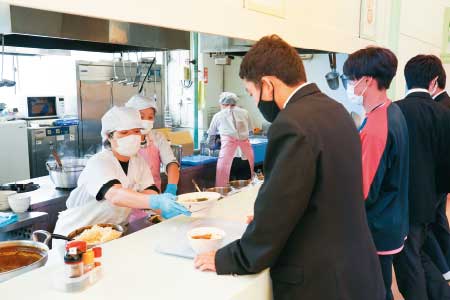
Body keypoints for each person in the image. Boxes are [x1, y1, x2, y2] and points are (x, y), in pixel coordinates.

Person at [194, 35, 385, 300]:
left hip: (320, 280)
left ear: (268, 85)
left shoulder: (291, 123)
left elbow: (277, 209)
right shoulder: (336, 110)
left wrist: (229, 258)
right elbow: (323, 191)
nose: (256, 101)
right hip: (357, 268)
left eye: (252, 93)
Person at [53, 106, 190, 240]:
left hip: (109, 236)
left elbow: (150, 194)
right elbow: (115, 195)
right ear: (109, 136)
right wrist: (156, 201)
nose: (132, 137)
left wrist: (177, 214)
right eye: (124, 133)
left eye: (136, 131)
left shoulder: (139, 162)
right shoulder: (99, 162)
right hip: (74, 237)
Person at [343, 47, 409, 300]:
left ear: (366, 80)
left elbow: (364, 192)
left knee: (374, 292)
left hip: (376, 226)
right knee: (380, 290)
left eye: (350, 80)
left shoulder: (376, 128)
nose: (349, 86)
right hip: (391, 218)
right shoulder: (391, 111)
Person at [394, 54, 450, 300]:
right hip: (429, 203)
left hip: (400, 202)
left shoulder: (394, 111)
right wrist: (437, 198)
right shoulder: (443, 114)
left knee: (409, 266)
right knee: (421, 254)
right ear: (434, 81)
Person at [422, 57, 450, 281]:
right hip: (442, 179)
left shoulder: (440, 108)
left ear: (433, 82)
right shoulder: (445, 105)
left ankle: (444, 266)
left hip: (436, 179)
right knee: (439, 221)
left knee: (432, 223)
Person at [125, 94, 180, 195]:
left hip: (154, 199)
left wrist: (171, 188)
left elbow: (171, 163)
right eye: (141, 116)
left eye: (150, 117)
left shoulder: (157, 138)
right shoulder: (123, 141)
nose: (146, 120)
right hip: (128, 202)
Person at [207, 92, 254, 187]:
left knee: (225, 187)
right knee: (245, 186)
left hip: (228, 157)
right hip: (245, 156)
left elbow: (211, 137)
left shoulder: (218, 116)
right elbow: (251, 132)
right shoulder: (245, 112)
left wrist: (212, 147)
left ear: (222, 103)